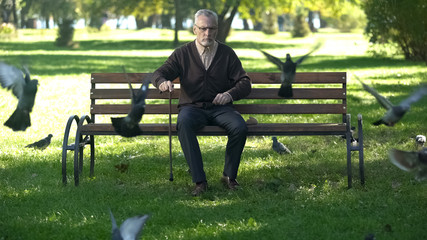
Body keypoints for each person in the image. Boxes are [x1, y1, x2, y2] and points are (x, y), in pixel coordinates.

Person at [152, 9, 251, 196]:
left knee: (239, 126)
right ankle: (200, 181)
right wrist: (163, 82)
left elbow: (245, 82)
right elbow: (158, 74)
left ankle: (229, 176)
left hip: (221, 108)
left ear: (217, 30)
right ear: (194, 29)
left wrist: (229, 94)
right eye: (203, 28)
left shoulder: (226, 53)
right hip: (192, 108)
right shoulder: (182, 54)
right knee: (184, 123)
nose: (208, 33)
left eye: (212, 29)